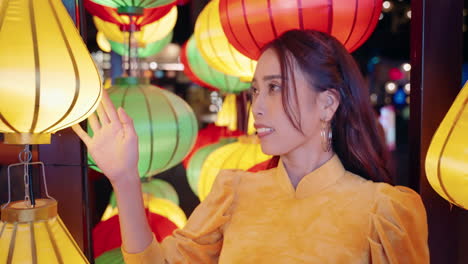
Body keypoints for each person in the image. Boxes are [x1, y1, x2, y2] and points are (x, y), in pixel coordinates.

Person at [73, 29, 429, 263]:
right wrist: (124, 179)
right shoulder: (235, 191)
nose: (257, 105)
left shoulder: (383, 211)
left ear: (327, 104)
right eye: (256, 89)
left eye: (275, 87)